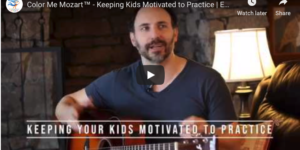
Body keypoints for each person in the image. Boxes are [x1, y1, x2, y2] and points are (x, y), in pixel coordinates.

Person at [56, 7, 242, 149]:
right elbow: (66, 102)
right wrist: (71, 118)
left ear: (175, 33)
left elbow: (236, 142)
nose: (154, 35)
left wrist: (209, 132)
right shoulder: (116, 82)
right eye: (145, 28)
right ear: (133, 39)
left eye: (162, 26)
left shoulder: (208, 80)